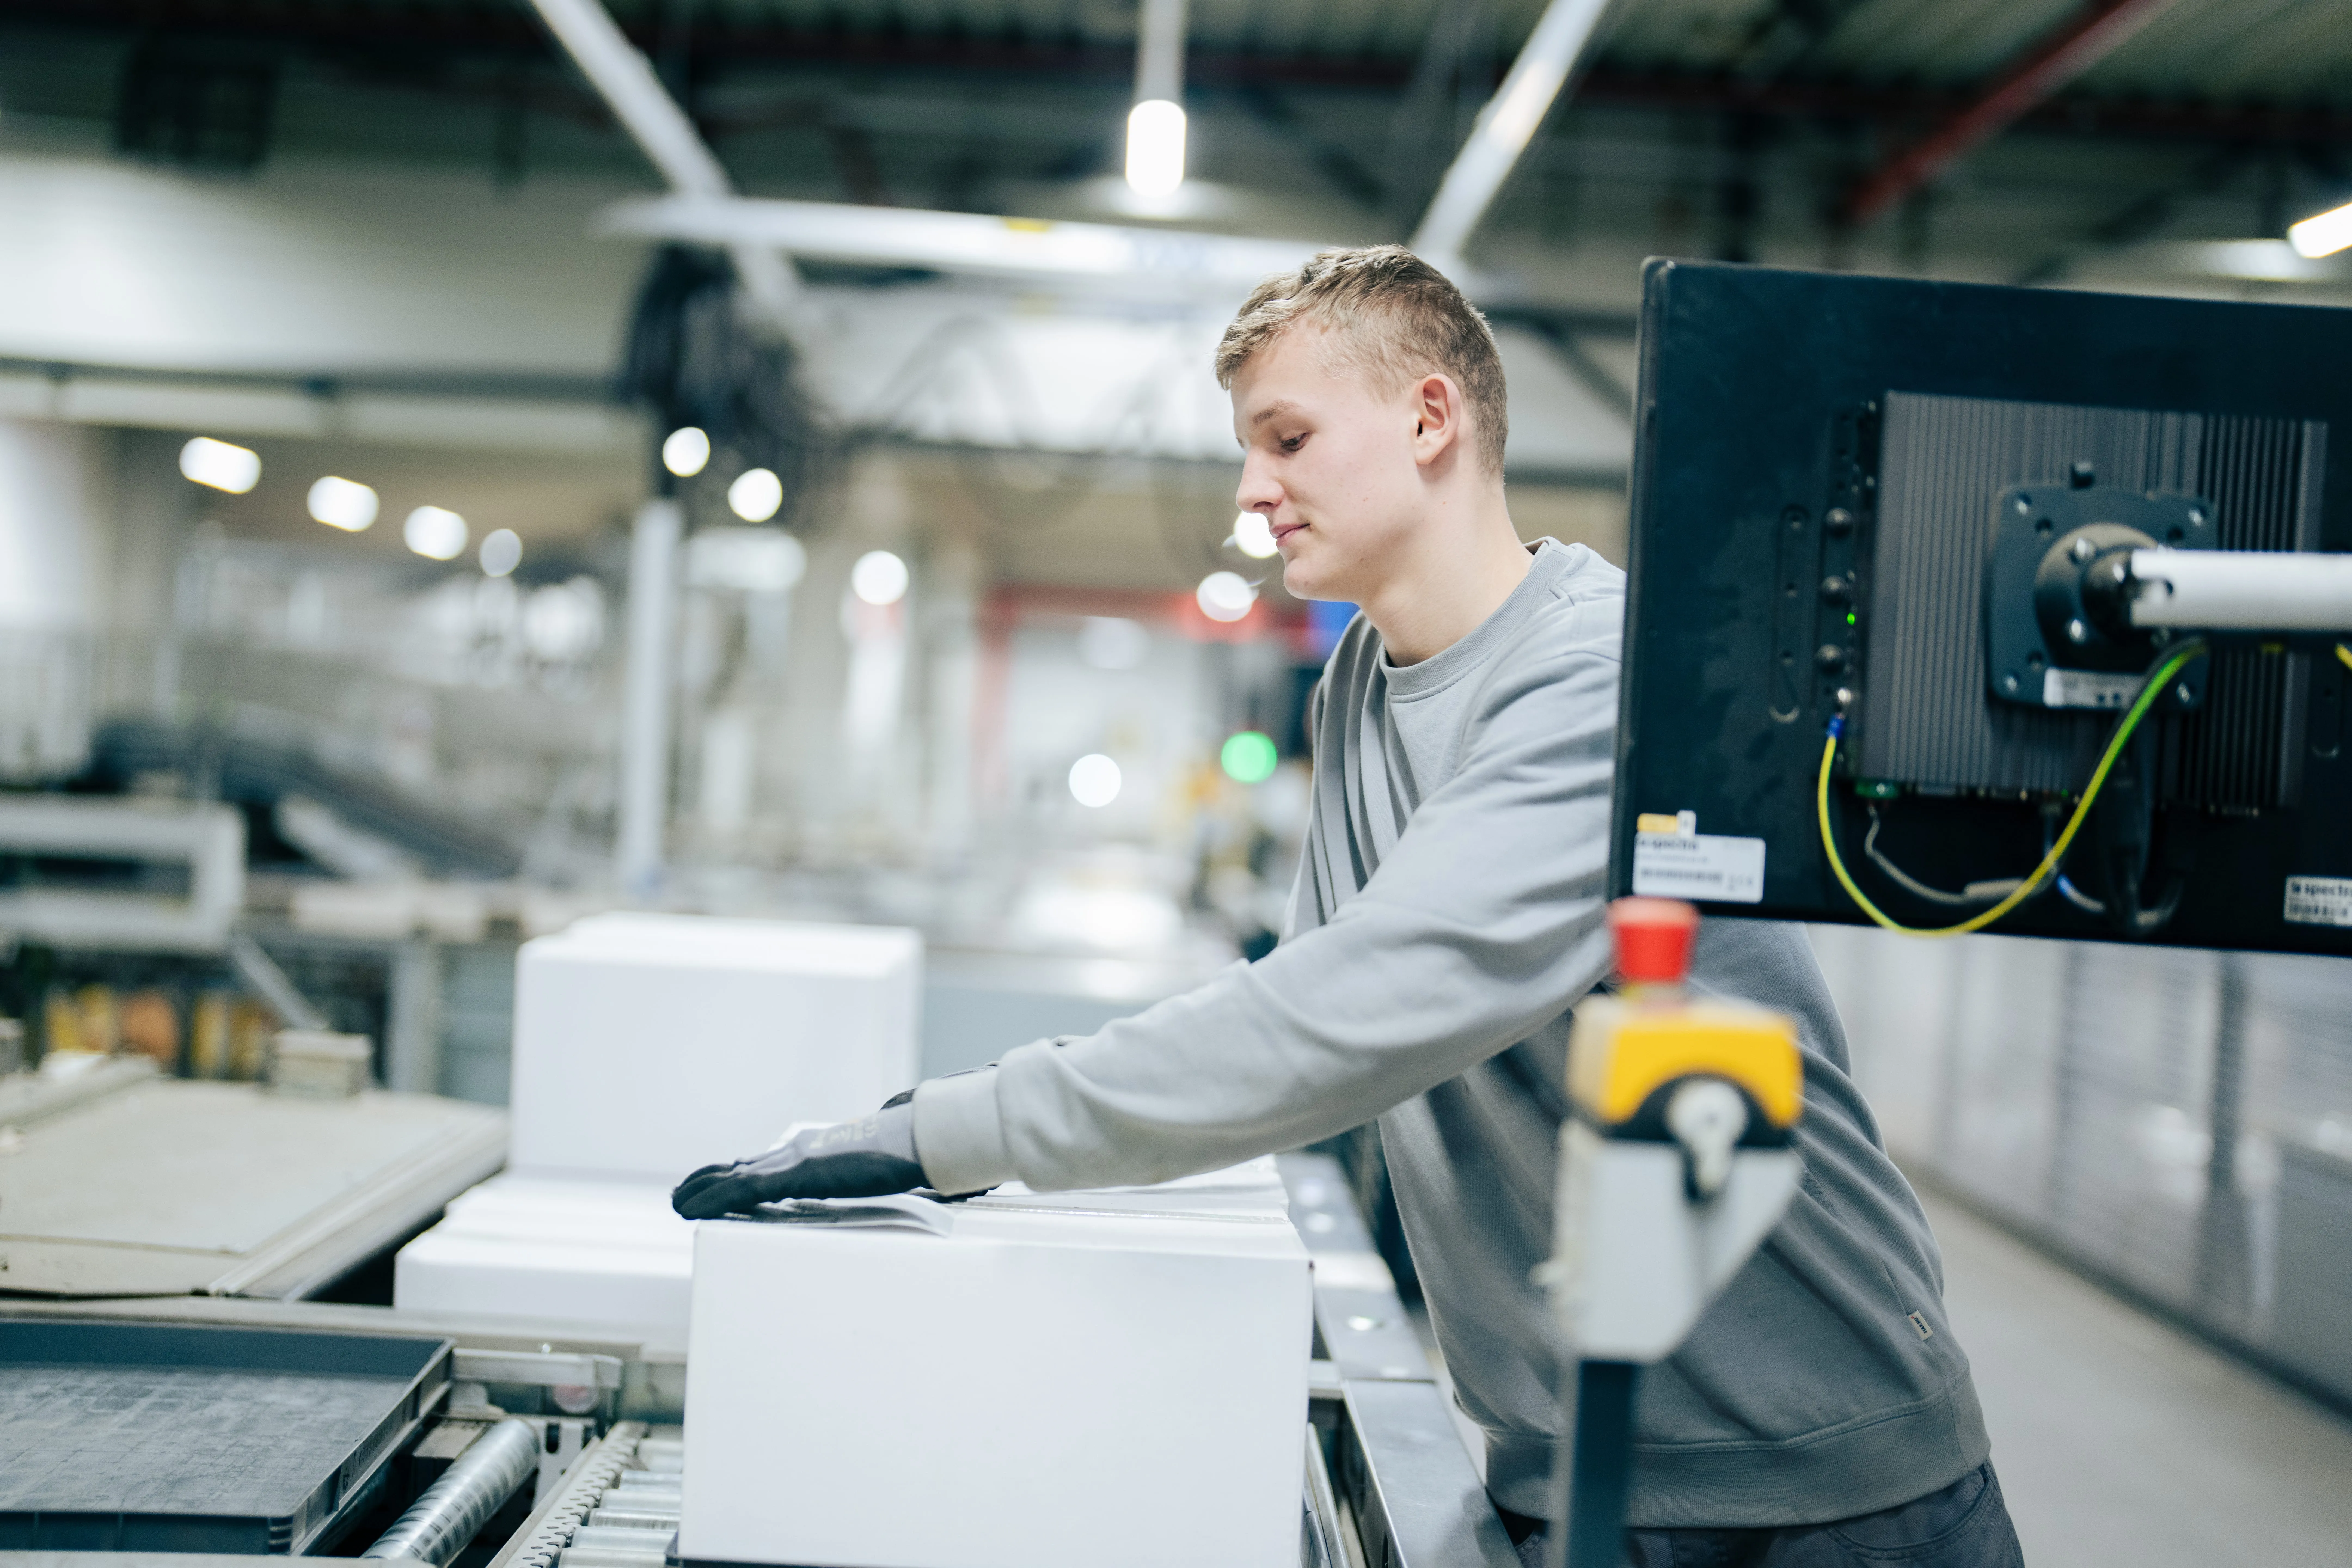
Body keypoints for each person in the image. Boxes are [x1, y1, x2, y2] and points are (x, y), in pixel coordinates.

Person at [672, 246, 2025, 1568]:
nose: (1254, 492)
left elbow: (1346, 1018)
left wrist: (946, 1132)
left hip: (1824, 1474)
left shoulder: (1606, 678)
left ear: (1431, 416)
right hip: (1575, 1459)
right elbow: (1301, 1013)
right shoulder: (1363, 684)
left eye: (1289, 438)